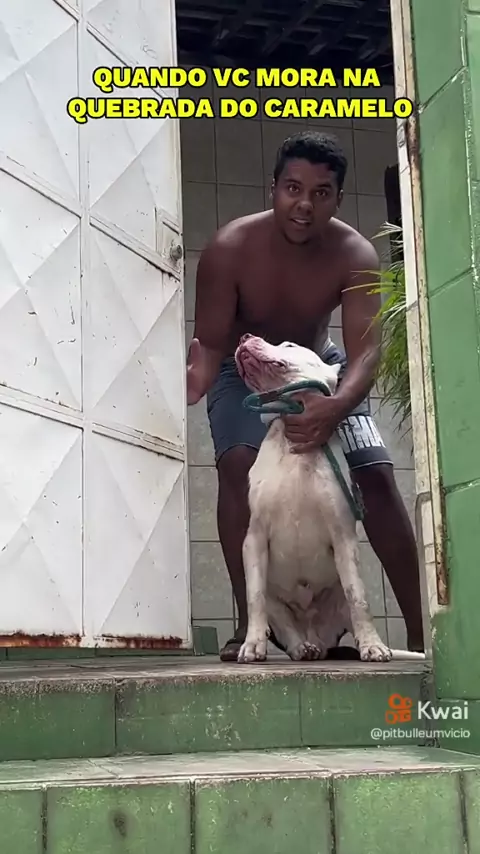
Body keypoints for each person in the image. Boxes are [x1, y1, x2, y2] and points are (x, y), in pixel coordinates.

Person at [186, 130, 424, 662]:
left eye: (321, 193)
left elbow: (365, 353)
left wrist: (336, 405)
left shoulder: (353, 253)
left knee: (375, 473)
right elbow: (212, 344)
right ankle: (252, 624)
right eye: (293, 188)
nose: (304, 204)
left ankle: (419, 635)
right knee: (238, 464)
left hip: (320, 366)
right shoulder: (229, 248)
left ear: (338, 198)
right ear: (273, 188)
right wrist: (195, 377)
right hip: (243, 370)